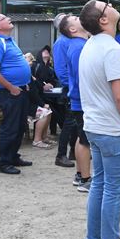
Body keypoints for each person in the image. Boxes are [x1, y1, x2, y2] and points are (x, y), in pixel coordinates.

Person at [77, 0, 120, 239]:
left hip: (94, 127)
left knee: (100, 184)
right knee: (114, 189)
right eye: (107, 6)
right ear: (103, 20)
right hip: (114, 130)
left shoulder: (89, 46)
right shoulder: (112, 50)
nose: (112, 6)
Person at [0, 12, 33, 175]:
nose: (9, 19)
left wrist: (24, 81)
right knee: (10, 127)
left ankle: (13, 157)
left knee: (20, 126)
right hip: (9, 93)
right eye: (4, 18)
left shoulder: (9, 40)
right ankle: (4, 163)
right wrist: (11, 87)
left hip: (20, 90)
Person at [60, 15, 93, 192]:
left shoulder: (80, 45)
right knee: (85, 140)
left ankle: (80, 175)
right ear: (72, 29)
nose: (79, 17)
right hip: (82, 101)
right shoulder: (79, 47)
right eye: (75, 18)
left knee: (82, 137)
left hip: (80, 101)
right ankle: (85, 180)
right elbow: (82, 79)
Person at [52, 14, 76, 168]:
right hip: (70, 89)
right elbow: (60, 70)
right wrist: (72, 86)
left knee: (76, 123)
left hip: (75, 87)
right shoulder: (61, 42)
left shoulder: (73, 40)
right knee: (68, 123)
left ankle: (75, 150)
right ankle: (60, 155)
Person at [23, 52, 54, 149]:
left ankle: (43, 137)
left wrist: (36, 81)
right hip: (25, 106)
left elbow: (37, 88)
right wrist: (42, 104)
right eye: (29, 62)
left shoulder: (30, 76)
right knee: (44, 112)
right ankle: (37, 140)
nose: (32, 64)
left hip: (29, 103)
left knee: (49, 111)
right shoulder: (26, 76)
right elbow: (32, 93)